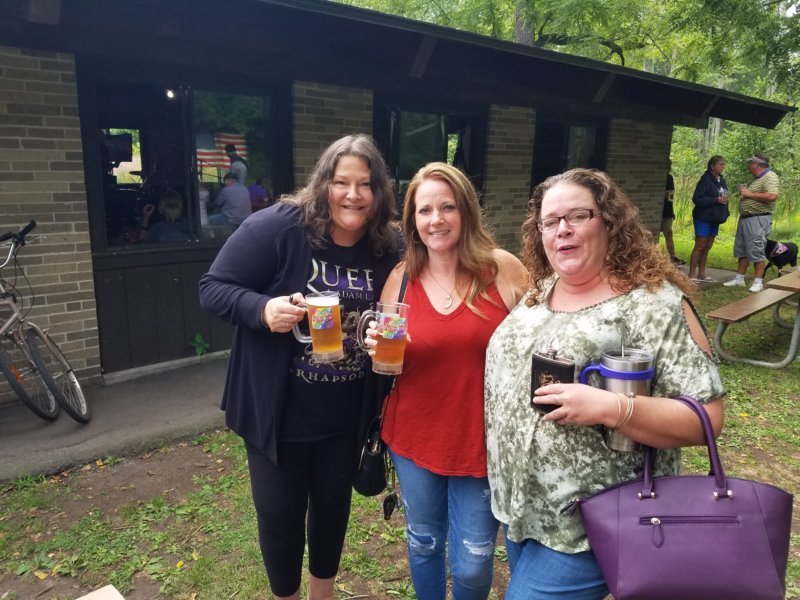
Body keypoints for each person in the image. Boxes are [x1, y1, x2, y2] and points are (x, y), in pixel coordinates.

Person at [484, 168, 725, 600]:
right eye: (549, 222)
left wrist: (609, 407)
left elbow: (707, 417)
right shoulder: (541, 291)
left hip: (594, 521)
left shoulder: (654, 304)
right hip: (524, 510)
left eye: (578, 216)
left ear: (609, 222)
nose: (562, 229)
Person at [199, 134, 402, 600]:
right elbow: (213, 287)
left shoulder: (388, 246)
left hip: (345, 416)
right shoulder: (279, 228)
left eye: (365, 185)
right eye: (341, 182)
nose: (353, 195)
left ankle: (322, 595)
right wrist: (261, 309)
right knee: (278, 516)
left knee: (332, 512)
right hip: (279, 413)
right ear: (323, 182)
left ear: (379, 192)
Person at [370, 163, 529, 600]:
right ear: (412, 221)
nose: (435, 219)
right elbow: (388, 358)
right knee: (423, 541)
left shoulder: (502, 270)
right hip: (414, 437)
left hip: (481, 441)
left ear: (466, 212)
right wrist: (376, 348)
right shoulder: (401, 279)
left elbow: (543, 336)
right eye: (424, 211)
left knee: (474, 561)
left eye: (447, 207)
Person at [723, 153, 780, 292]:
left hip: (758, 219)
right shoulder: (757, 179)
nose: (748, 165)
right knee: (742, 249)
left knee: (756, 249)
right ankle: (739, 279)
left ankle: (758, 282)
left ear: (756, 164)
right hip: (747, 218)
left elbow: (772, 196)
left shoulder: (770, 176)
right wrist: (745, 193)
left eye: (750, 163)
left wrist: (750, 194)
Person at [688, 155, 728, 282]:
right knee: (700, 245)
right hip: (703, 217)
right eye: (720, 164)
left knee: (708, 246)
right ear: (712, 166)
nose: (722, 166)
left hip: (715, 217)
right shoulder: (705, 179)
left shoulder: (721, 180)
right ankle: (692, 274)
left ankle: (702, 273)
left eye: (723, 164)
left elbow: (723, 195)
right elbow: (697, 198)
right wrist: (716, 200)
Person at [659, 160, 684, 265]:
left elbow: (671, 196)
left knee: (668, 233)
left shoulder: (669, 178)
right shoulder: (658, 178)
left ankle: (672, 257)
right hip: (657, 210)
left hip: (667, 210)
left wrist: (672, 210)